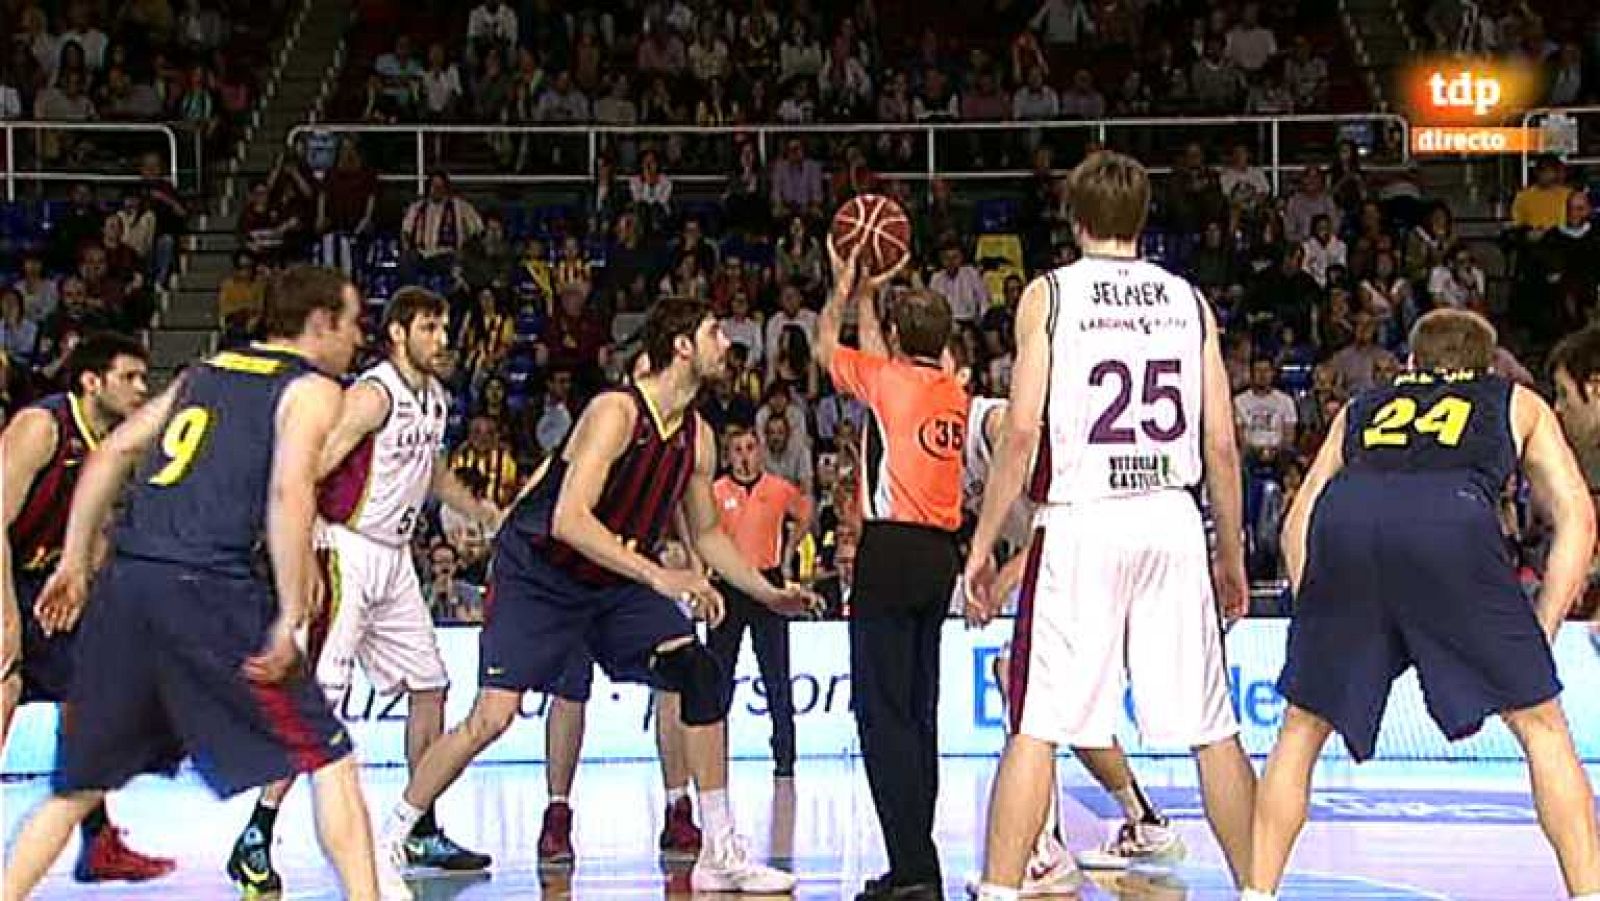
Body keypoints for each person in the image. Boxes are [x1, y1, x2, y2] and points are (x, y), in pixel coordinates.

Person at [377, 296, 820, 893]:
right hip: (539, 572)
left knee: (698, 671)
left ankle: (719, 849)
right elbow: (569, 520)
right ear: (682, 346)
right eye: (715, 332)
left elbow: (708, 535)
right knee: (491, 718)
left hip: (610, 581)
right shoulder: (616, 412)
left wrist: (767, 593)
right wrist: (661, 576)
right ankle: (391, 835)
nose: (727, 345)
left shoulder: (699, 437)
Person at [4, 266, 404, 901]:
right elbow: (289, 490)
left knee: (77, 787)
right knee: (328, 758)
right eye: (354, 322)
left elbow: (109, 455)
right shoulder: (312, 389)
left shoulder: (204, 373)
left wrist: (74, 562)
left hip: (130, 583)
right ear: (321, 322)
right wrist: (291, 612)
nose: (359, 338)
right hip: (209, 589)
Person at [965, 151, 1257, 901]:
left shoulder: (1051, 295)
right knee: (1212, 725)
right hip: (1170, 514)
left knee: (1040, 721)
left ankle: (999, 891)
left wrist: (981, 544)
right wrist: (1231, 551)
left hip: (1083, 516)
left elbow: (1022, 431)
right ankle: (1259, 891)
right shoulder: (1189, 301)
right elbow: (1223, 443)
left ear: (1075, 218)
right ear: (1142, 219)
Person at [1245, 310, 1600, 901]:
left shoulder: (1365, 404)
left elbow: (1296, 520)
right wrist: (1542, 628)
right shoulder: (1515, 400)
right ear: (1486, 365)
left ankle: (1257, 893)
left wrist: (1321, 606)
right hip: (1450, 521)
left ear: (1411, 364)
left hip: (1347, 523)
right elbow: (1578, 520)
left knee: (1300, 729)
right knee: (1542, 727)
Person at [226, 287, 499, 896]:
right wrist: (303, 553)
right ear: (399, 333)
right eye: (430, 327)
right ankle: (256, 833)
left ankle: (420, 823)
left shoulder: (433, 397)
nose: (443, 338)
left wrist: (481, 510)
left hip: (394, 558)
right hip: (344, 548)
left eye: (445, 327)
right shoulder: (373, 393)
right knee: (320, 706)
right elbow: (311, 465)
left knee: (431, 686)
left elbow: (431, 472)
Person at [955, 384, 1182, 896]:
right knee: (1065, 706)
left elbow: (1059, 516)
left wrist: (1005, 577)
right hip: (1091, 563)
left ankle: (1046, 852)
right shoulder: (946, 446)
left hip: (1092, 553)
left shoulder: (993, 425)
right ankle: (1142, 820)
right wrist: (985, 553)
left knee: (1032, 695)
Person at [815, 243, 968, 901]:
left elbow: (825, 344)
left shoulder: (888, 382)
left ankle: (913, 868)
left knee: (882, 714)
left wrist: (843, 287)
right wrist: (874, 297)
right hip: (941, 556)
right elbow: (884, 355)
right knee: (919, 711)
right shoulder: (953, 389)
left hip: (891, 551)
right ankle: (916, 858)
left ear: (902, 340)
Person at [0, 332, 174, 884]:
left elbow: (97, 530)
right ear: (91, 380)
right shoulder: (42, 426)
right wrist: (6, 618)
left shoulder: (115, 444)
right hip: (6, 573)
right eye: (130, 377)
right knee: (3, 688)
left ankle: (98, 844)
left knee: (93, 698)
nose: (141, 389)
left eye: (145, 378)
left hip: (45, 582)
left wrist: (87, 591)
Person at [707, 424, 814, 777]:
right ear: (728, 455)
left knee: (776, 674)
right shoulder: (715, 491)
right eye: (737, 449)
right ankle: (713, 756)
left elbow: (806, 510)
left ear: (761, 452)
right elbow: (698, 531)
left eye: (750, 448)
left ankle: (785, 756)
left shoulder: (778, 489)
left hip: (766, 582)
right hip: (728, 583)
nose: (744, 456)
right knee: (718, 676)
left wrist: (788, 552)